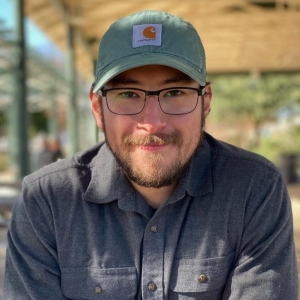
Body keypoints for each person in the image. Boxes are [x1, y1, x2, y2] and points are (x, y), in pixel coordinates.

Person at [3, 10, 297, 300]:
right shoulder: (46, 200)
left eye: (175, 93)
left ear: (205, 102)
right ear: (97, 107)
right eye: (128, 94)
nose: (153, 122)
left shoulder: (254, 189)